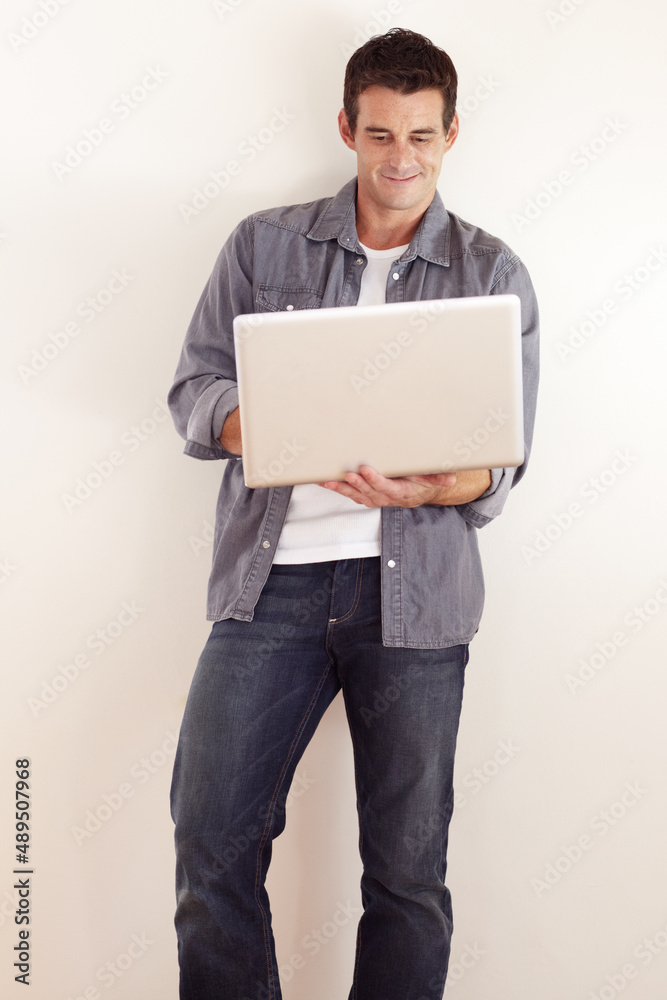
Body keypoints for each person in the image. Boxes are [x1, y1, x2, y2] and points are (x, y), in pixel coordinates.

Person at [168, 26, 539, 1000]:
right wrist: (272, 421)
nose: (399, 158)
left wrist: (436, 484)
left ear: (451, 133)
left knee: (407, 878)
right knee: (210, 838)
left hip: (414, 605)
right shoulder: (263, 244)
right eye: (380, 134)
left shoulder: (492, 274)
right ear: (347, 127)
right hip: (268, 592)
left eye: (421, 135)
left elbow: (499, 465)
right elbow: (193, 393)